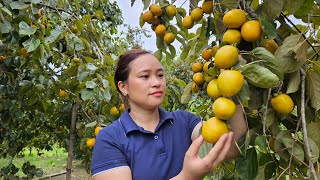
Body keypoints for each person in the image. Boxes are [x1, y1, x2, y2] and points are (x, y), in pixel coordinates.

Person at [91, 49, 247, 180]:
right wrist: (187, 177)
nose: (157, 82)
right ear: (123, 87)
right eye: (145, 76)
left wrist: (232, 89)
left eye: (160, 75)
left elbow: (230, 150)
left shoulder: (184, 121)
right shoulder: (110, 138)